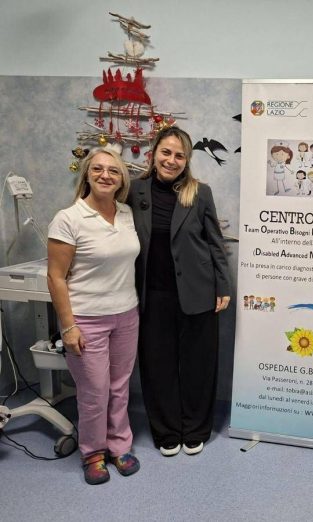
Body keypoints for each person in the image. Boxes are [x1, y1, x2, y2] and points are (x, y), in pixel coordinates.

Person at [128, 126, 232, 457]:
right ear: (153, 153)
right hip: (152, 294)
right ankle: (167, 431)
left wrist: (223, 285)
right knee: (157, 365)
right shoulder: (133, 191)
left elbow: (215, 242)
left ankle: (196, 428)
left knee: (198, 364)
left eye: (179, 155)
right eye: (166, 152)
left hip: (197, 291)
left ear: (186, 160)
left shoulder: (199, 193)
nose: (171, 160)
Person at [47, 147, 140, 485]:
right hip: (87, 319)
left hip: (126, 314)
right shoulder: (68, 218)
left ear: (122, 180)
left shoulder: (127, 213)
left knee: (119, 387)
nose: (105, 175)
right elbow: (56, 277)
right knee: (94, 392)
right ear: (87, 174)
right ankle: (93, 453)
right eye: (98, 169)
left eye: (113, 171)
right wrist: (68, 327)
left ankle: (119, 446)